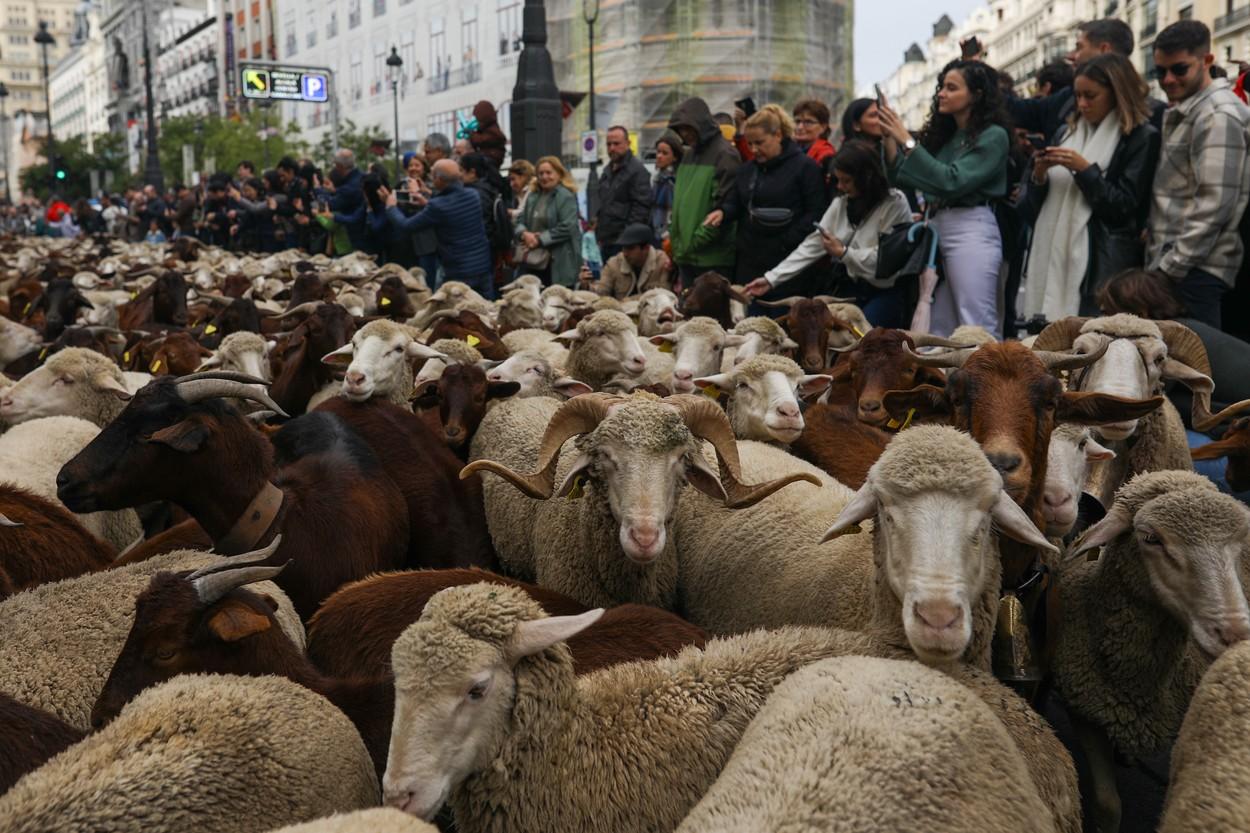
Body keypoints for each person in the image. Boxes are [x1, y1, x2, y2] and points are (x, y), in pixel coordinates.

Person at [879, 59, 1011, 335]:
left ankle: (987, 378)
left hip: (971, 227)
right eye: (941, 87)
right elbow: (900, 175)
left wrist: (906, 140)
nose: (941, 93)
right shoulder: (949, 136)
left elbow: (952, 181)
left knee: (974, 321)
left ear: (976, 94)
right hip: (940, 227)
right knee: (938, 325)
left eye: (951, 88)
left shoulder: (993, 136)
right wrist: (889, 137)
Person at [1023, 54, 1160, 320]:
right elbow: (1030, 210)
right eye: (1077, 96)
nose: (1082, 104)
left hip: (1100, 267)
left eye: (1091, 95)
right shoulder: (1066, 133)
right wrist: (1039, 175)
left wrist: (1084, 171)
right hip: (1053, 255)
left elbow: (1123, 206)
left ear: (1117, 93)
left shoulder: (1141, 136)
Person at [1146, 20, 1250, 331]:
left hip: (1195, 272)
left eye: (1179, 69)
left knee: (1197, 376)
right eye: (1159, 71)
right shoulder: (1193, 109)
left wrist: (1169, 269)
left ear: (1207, 61)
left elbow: (1214, 204)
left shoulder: (1217, 114)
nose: (1168, 79)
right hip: (1181, 267)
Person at [745, 140, 913, 326]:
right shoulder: (842, 203)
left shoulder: (895, 204)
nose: (840, 187)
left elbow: (882, 261)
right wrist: (771, 279)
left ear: (866, 177)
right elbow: (813, 245)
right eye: (838, 180)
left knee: (863, 338)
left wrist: (843, 253)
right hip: (849, 288)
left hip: (885, 291)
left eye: (846, 181)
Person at [704, 104, 825, 288]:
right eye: (750, 143)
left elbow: (816, 213)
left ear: (778, 135)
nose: (753, 149)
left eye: (759, 143)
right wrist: (722, 212)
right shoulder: (747, 170)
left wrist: (786, 241)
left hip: (789, 266)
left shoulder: (806, 168)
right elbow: (736, 202)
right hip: (750, 262)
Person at [1006, 19, 1163, 138]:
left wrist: (1085, 171)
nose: (1071, 56)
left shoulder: (1153, 116)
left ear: (1104, 50)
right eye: (1080, 96)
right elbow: (1021, 111)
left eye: (1079, 47)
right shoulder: (1066, 100)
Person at [383, 159, 494, 297]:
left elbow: (407, 225)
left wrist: (391, 207)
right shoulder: (473, 195)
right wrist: (427, 199)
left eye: (432, 175)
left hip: (458, 270)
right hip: (482, 265)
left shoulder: (437, 206)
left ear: (439, 179)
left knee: (458, 312)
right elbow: (451, 209)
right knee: (488, 311)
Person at [666, 97, 741, 284]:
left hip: (711, 258)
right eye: (681, 129)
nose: (684, 134)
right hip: (688, 255)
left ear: (701, 125)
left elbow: (724, 207)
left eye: (688, 128)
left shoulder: (725, 155)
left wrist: (691, 243)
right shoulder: (688, 155)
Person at [513, 156, 583, 287]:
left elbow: (568, 227)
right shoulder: (533, 195)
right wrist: (524, 234)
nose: (544, 177)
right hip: (532, 261)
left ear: (558, 174)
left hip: (558, 262)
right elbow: (519, 220)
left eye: (549, 173)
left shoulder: (565, 196)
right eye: (541, 173)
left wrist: (540, 239)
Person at [595, 125, 654, 260]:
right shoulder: (608, 170)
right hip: (607, 241)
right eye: (608, 144)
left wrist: (627, 241)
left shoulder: (637, 171)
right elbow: (605, 204)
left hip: (624, 244)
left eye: (616, 143)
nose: (612, 148)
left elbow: (641, 210)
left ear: (628, 143)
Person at [581, 222, 674, 299]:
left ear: (646, 248)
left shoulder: (662, 262)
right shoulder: (613, 264)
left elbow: (665, 296)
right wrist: (586, 286)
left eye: (630, 248)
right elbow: (601, 294)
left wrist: (629, 302)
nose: (625, 253)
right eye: (624, 248)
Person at [793, 98, 838, 202]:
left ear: (823, 127)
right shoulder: (790, 150)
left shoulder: (826, 155)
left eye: (808, 122)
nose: (800, 127)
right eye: (797, 121)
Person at [325, 149, 367, 253]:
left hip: (355, 235)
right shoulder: (361, 176)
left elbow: (332, 204)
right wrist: (334, 190)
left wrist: (319, 191)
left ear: (339, 166)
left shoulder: (350, 187)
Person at [651, 131, 682, 247]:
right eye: (658, 152)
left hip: (666, 238)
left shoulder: (671, 180)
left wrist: (667, 234)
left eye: (665, 153)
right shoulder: (657, 177)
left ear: (674, 157)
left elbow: (673, 211)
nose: (659, 156)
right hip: (657, 235)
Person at [468, 100, 508, 167]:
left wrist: (471, 134)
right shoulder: (485, 129)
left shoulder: (493, 131)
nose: (476, 120)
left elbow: (482, 140)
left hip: (491, 161)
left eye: (477, 118)